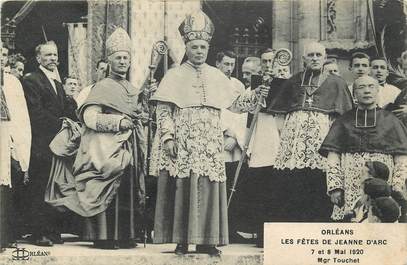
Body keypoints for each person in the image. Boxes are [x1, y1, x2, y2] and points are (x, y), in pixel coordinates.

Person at [150, 11, 269, 256]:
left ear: (208, 47)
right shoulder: (173, 75)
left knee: (209, 186)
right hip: (184, 137)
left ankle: (207, 240)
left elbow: (236, 105)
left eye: (203, 46)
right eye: (194, 46)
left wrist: (257, 94)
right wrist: (168, 137)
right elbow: (163, 111)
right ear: (187, 46)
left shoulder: (217, 76)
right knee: (183, 186)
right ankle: (181, 239)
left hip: (210, 139)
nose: (199, 51)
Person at [62, 27, 145, 249]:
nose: (123, 61)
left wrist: (142, 113)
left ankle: (126, 235)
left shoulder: (133, 88)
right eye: (118, 57)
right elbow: (90, 118)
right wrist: (119, 122)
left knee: (127, 187)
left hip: (129, 146)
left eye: (126, 57)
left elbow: (139, 115)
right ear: (109, 61)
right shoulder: (102, 86)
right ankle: (105, 236)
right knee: (107, 186)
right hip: (105, 148)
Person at [268, 42, 354, 222]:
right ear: (303, 59)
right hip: (294, 144)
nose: (314, 58)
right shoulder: (293, 81)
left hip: (323, 139)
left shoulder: (337, 83)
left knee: (318, 181)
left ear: (324, 58)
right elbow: (279, 113)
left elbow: (344, 118)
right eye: (311, 55)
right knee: (294, 182)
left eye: (318, 55)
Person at [319, 75, 407, 221]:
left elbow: (402, 159)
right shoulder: (343, 121)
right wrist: (335, 188)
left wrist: (397, 185)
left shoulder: (391, 121)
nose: (367, 91)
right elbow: (333, 159)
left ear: (377, 91)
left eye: (371, 87)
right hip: (350, 186)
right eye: (361, 87)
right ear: (354, 94)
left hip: (385, 186)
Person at [21, 41, 77, 246]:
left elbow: (64, 109)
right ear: (38, 58)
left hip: (57, 143)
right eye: (48, 55)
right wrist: (60, 125)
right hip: (41, 143)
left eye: (55, 55)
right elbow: (35, 113)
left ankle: (52, 230)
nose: (53, 58)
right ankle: (38, 232)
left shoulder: (58, 83)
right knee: (39, 186)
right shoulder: (31, 80)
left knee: (54, 186)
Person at [0, 43, 31, 250]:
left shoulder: (12, 83)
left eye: (4, 54)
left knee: (5, 190)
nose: (2, 58)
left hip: (6, 139)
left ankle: (3, 237)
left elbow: (21, 116)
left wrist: (19, 147)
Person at [216, 50, 247, 243]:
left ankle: (231, 228)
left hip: (234, 142)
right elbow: (214, 110)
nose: (229, 68)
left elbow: (242, 113)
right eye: (226, 64)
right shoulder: (210, 81)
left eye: (232, 65)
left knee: (233, 186)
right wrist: (225, 131)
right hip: (217, 139)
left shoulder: (238, 85)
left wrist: (235, 137)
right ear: (217, 63)